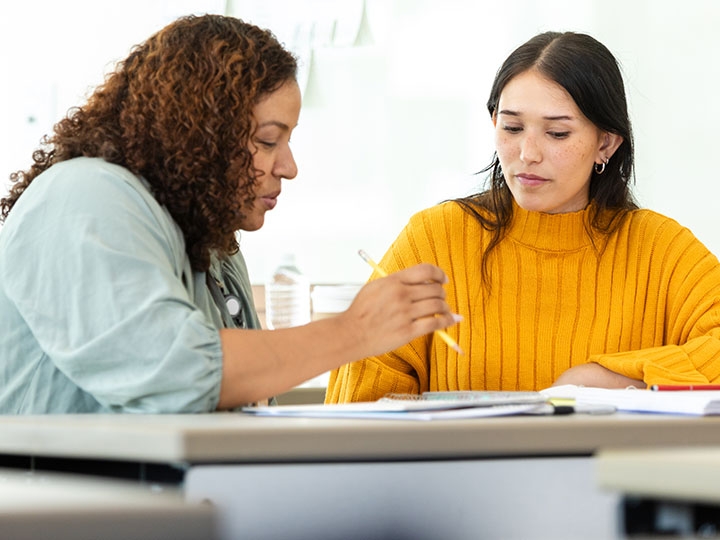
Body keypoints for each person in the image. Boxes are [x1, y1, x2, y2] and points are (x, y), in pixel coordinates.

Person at [0, 14, 459, 413]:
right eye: (266, 140)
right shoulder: (83, 197)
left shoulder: (213, 243)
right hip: (61, 504)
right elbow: (177, 375)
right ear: (199, 133)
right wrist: (355, 331)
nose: (289, 167)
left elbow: (244, 400)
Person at [326, 31, 720, 403]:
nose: (527, 153)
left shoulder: (662, 250)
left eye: (557, 134)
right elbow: (355, 400)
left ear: (606, 143)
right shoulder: (434, 239)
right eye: (512, 127)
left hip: (609, 477)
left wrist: (610, 379)